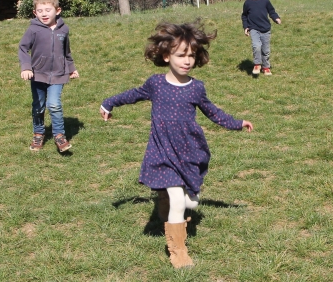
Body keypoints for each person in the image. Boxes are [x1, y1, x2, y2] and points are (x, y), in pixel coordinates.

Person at [99, 21, 253, 268]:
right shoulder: (156, 84)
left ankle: (165, 199)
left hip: (188, 150)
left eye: (191, 55)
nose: (187, 60)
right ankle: (178, 251)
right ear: (166, 55)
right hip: (162, 151)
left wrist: (237, 123)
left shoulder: (196, 88)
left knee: (191, 202)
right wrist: (109, 103)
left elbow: (213, 113)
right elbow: (133, 94)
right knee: (179, 201)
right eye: (181, 55)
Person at [18, 0, 79, 152]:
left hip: (59, 74)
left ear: (57, 10)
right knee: (38, 106)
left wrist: (71, 68)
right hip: (38, 74)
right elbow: (23, 48)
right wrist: (26, 67)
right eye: (40, 11)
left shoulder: (63, 29)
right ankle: (38, 133)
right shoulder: (33, 30)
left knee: (54, 105)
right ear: (34, 12)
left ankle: (59, 136)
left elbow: (67, 51)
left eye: (47, 10)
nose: (44, 14)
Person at [241, 0, 282, 75]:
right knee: (256, 46)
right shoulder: (248, 3)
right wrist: (246, 27)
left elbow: (271, 11)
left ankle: (266, 67)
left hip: (266, 29)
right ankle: (257, 64)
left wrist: (276, 18)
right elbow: (244, 16)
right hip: (254, 29)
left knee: (266, 50)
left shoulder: (265, 1)